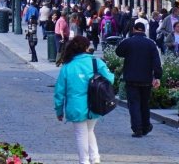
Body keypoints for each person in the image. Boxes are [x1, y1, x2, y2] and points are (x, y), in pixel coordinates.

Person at [54, 36, 114, 164]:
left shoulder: (68, 66)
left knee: (81, 133)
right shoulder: (96, 62)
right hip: (95, 103)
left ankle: (84, 161)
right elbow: (110, 79)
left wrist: (59, 110)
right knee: (90, 130)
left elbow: (59, 92)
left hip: (76, 105)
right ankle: (95, 158)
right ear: (86, 48)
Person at [116, 21, 162, 138]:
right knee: (144, 103)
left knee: (134, 104)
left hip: (131, 78)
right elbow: (156, 62)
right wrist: (157, 77)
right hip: (146, 78)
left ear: (134, 29)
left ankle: (137, 128)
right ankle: (146, 126)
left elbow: (118, 52)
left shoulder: (128, 42)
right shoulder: (151, 43)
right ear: (144, 30)